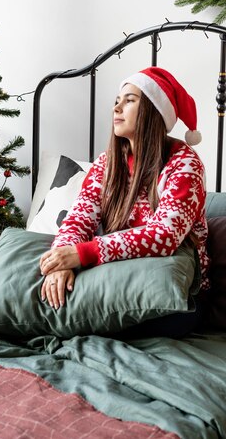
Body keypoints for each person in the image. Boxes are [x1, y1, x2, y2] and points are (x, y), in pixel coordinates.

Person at [39, 66, 210, 336]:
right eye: (117, 101)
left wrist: (82, 254)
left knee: (76, 318)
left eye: (129, 100)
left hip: (174, 290)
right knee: (55, 303)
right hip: (117, 275)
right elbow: (78, 219)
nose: (117, 108)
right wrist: (59, 263)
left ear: (153, 111)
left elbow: (164, 235)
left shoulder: (184, 163)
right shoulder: (107, 162)